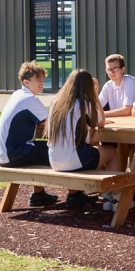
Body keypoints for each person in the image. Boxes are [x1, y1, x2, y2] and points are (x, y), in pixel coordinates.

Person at [46, 69, 122, 209]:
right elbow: (101, 122)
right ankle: (117, 199)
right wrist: (95, 94)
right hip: (73, 160)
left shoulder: (56, 103)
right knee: (110, 151)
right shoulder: (82, 104)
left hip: (55, 160)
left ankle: (107, 197)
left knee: (96, 149)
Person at [0, 61, 59, 207]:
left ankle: (39, 194)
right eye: (38, 79)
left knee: (41, 147)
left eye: (43, 79)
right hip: (14, 153)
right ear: (26, 82)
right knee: (61, 150)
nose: (42, 82)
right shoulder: (29, 99)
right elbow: (51, 124)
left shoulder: (18, 94)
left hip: (4, 154)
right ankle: (76, 194)